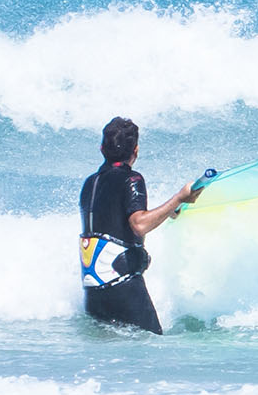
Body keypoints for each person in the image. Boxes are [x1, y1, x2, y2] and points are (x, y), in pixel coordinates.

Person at [78, 117, 199, 334]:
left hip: (94, 290)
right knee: (150, 350)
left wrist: (169, 210)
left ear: (101, 149)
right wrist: (179, 198)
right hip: (122, 286)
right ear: (136, 150)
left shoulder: (90, 182)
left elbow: (112, 219)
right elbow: (139, 224)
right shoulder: (132, 179)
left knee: (108, 362)